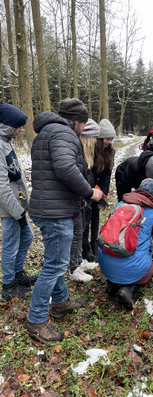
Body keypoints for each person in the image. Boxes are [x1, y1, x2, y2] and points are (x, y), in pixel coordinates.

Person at [24, 98, 102, 343]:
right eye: (83, 123)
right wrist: (90, 193)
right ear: (76, 121)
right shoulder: (65, 135)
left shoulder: (45, 133)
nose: (83, 128)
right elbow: (66, 168)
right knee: (55, 265)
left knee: (54, 259)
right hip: (55, 211)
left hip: (45, 207)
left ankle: (60, 302)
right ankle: (36, 320)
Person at [98, 178, 153, 310]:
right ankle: (129, 289)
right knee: (150, 269)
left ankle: (112, 283)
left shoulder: (120, 205)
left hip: (105, 262)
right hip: (131, 267)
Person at [0, 103, 37, 301]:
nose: (22, 129)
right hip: (9, 209)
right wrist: (17, 213)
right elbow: (2, 187)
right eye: (19, 126)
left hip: (17, 206)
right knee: (10, 244)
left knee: (26, 237)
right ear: (7, 125)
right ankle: (8, 285)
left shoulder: (5, 142)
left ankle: (18, 274)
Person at [69, 118, 101, 282]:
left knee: (79, 232)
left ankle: (79, 261)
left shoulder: (86, 155)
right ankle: (73, 267)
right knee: (75, 234)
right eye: (94, 137)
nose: (96, 141)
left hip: (82, 200)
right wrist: (89, 192)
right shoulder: (76, 151)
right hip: (75, 201)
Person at [82, 118, 116, 262]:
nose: (109, 142)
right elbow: (87, 171)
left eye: (111, 139)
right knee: (86, 218)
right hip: (88, 188)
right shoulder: (91, 149)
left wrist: (104, 194)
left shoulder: (110, 151)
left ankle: (94, 243)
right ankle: (84, 248)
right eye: (107, 139)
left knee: (96, 217)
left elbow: (107, 174)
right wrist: (91, 192)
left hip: (99, 190)